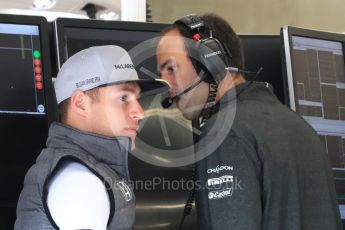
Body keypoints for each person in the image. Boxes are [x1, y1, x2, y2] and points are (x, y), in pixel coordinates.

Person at [156, 13, 342, 229]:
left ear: (210, 61)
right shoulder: (298, 124)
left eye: (171, 68)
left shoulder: (225, 132)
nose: (165, 84)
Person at [15, 45, 168, 230]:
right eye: (123, 98)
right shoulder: (79, 182)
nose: (139, 112)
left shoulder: (86, 168)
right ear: (80, 104)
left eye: (136, 98)